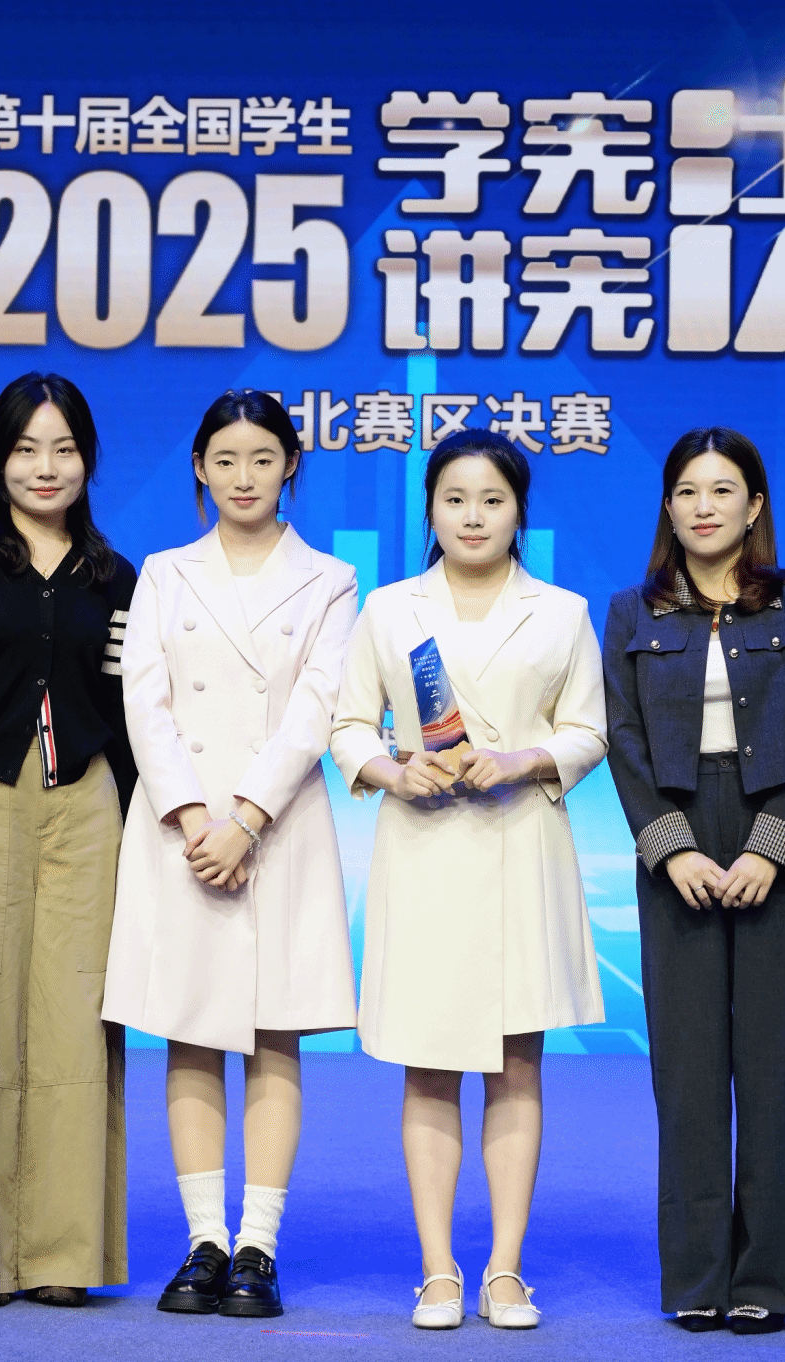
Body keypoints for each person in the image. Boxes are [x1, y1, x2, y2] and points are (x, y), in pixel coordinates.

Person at [328, 427, 607, 1332]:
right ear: (431, 511)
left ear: (520, 510)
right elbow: (347, 725)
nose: (474, 516)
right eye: (455, 500)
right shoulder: (389, 610)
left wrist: (525, 758)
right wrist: (390, 771)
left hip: (523, 846)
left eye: (492, 499)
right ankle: (438, 1270)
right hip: (426, 850)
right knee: (429, 1066)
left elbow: (591, 730)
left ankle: (507, 1271)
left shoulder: (561, 612)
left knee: (519, 1065)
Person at [105, 389, 359, 1319]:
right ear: (199, 469)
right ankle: (204, 1242)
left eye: (262, 459)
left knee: (273, 1033)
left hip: (277, 827)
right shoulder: (164, 573)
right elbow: (146, 703)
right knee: (190, 1029)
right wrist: (192, 819)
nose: (243, 477)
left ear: (291, 465)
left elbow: (316, 708)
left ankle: (259, 1245)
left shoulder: (330, 580)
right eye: (224, 460)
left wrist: (245, 820)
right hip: (180, 831)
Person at [601, 427, 785, 1336]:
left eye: (723, 489)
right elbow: (623, 738)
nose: (705, 506)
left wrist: (773, 847)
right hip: (679, 840)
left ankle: (770, 1277)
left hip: (779, 835)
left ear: (754, 505)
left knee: (778, 1068)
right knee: (689, 1071)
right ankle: (699, 1275)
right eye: (688, 491)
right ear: (668, 508)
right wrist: (673, 849)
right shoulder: (631, 612)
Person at [0, 372, 138, 1309]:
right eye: (26, 449)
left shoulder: (119, 577)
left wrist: (141, 825)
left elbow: (127, 714)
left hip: (88, 807)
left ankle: (63, 1256)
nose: (46, 468)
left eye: (65, 449)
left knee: (79, 1019)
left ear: (89, 460)